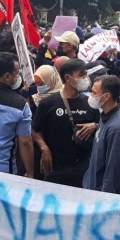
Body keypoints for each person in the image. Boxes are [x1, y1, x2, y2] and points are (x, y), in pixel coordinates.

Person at [32, 59, 98, 187]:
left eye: (86, 74)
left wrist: (95, 126)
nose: (86, 78)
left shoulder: (90, 103)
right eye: (81, 74)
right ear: (68, 78)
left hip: (83, 167)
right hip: (56, 168)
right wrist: (44, 148)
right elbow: (35, 130)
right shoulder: (48, 103)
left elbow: (103, 127)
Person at [82, 75, 120, 194]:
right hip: (93, 187)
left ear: (106, 96)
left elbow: (113, 169)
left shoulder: (116, 129)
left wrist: (105, 197)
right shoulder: (105, 117)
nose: (91, 96)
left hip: (103, 194)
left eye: (94, 92)